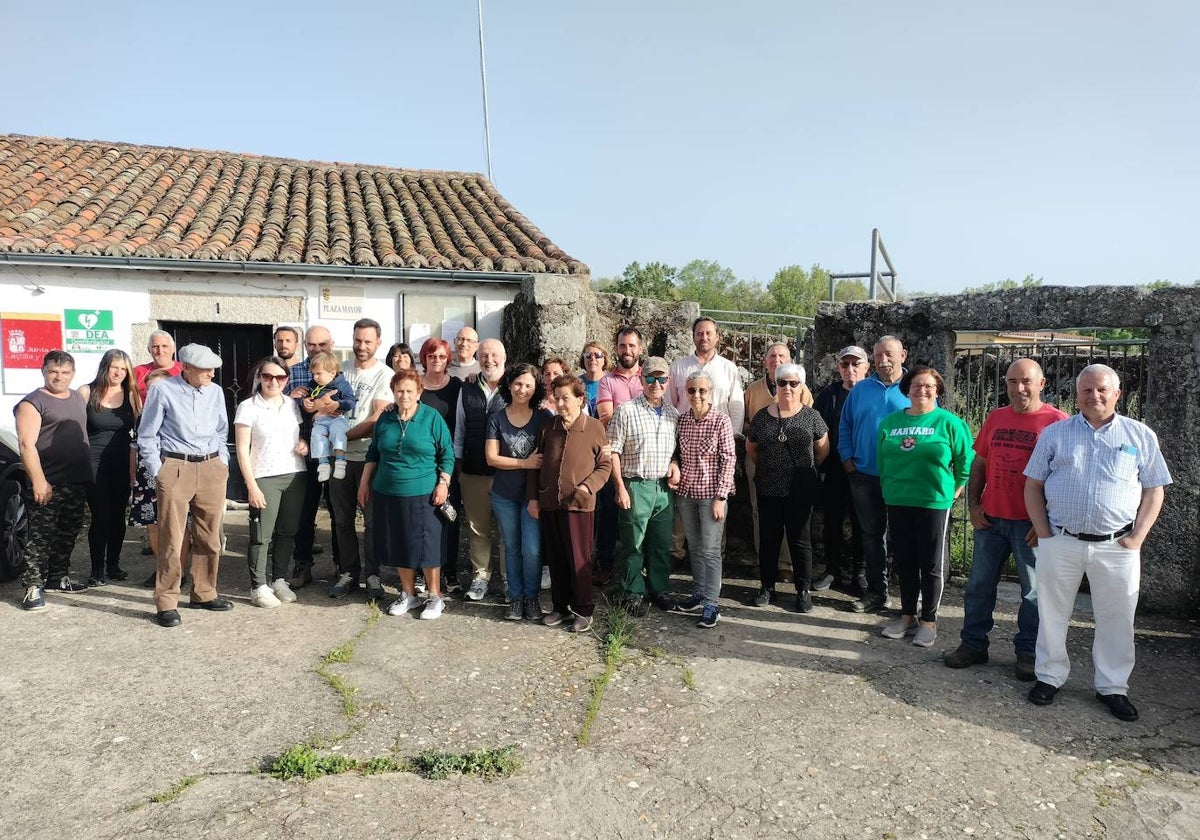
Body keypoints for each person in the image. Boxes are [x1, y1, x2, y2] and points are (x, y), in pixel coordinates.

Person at [1023, 364, 1171, 722]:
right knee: (1052, 614)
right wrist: (1043, 533)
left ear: (1117, 394)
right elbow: (1033, 484)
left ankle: (1113, 687)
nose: (1095, 396)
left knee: (1117, 618)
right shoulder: (1055, 434)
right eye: (1087, 390)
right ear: (1077, 395)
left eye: (1102, 389)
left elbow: (1154, 489)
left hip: (1117, 545)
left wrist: (1137, 537)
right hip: (1062, 541)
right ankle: (1049, 677)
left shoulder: (1140, 436)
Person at [945, 359, 1068, 679]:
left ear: (1042, 384)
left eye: (1026, 381)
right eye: (1012, 382)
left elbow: (1065, 477)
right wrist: (973, 506)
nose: (1018, 388)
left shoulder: (1058, 422)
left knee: (1034, 593)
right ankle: (973, 645)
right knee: (978, 587)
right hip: (991, 521)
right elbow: (980, 464)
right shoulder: (996, 417)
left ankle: (1027, 653)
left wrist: (1045, 522)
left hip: (1031, 526)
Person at [876, 366, 974, 648]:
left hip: (933, 501)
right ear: (906, 389)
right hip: (898, 499)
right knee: (904, 561)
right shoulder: (890, 422)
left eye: (929, 386)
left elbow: (965, 460)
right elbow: (882, 460)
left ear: (938, 390)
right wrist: (889, 488)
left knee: (931, 564)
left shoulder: (949, 423)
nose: (922, 390)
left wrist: (956, 488)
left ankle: (928, 620)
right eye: (917, 385)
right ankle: (907, 616)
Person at [138, 343, 233, 627]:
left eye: (213, 368)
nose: (212, 374)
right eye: (205, 369)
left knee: (209, 536)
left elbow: (220, 430)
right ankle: (166, 601)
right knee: (172, 537)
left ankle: (203, 592)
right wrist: (160, 471)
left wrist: (222, 464)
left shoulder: (215, 392)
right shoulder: (162, 390)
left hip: (211, 466)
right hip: (176, 467)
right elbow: (147, 434)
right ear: (187, 368)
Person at [361, 369, 455, 620]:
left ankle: (434, 597)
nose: (404, 395)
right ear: (393, 392)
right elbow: (373, 453)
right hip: (387, 492)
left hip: (424, 492)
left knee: (428, 545)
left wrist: (443, 483)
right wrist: (364, 483)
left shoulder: (431, 418)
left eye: (409, 391)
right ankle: (408, 594)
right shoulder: (386, 418)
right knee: (400, 543)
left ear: (419, 392)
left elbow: (447, 454)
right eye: (399, 390)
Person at [528, 374, 611, 632]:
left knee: (579, 560)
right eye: (557, 397)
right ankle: (560, 607)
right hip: (550, 503)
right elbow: (536, 464)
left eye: (566, 398)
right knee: (556, 559)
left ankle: (584, 610)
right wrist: (533, 498)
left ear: (580, 399)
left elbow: (605, 465)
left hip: (579, 505)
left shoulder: (595, 427)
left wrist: (587, 487)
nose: (560, 403)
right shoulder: (547, 427)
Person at [746, 363, 829, 612]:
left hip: (800, 487)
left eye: (794, 383)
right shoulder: (762, 416)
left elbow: (822, 449)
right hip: (769, 485)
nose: (788, 388)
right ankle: (767, 587)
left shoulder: (811, 416)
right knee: (769, 539)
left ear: (801, 386)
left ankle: (803, 590)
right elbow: (752, 448)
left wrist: (807, 469)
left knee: (800, 540)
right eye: (783, 383)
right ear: (777, 385)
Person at [15, 350, 93, 610]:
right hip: (49, 482)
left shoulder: (77, 397)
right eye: (54, 372)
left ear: (72, 373)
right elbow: (26, 445)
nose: (59, 377)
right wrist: (39, 481)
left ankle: (57, 577)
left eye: (65, 372)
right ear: (43, 371)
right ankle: (32, 587)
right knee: (40, 537)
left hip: (76, 480)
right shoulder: (32, 402)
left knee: (68, 532)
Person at [838, 335, 911, 613]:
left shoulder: (914, 388)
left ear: (902, 355)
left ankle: (908, 597)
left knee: (904, 536)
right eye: (878, 354)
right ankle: (877, 593)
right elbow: (845, 426)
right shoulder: (860, 390)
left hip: (903, 479)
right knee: (871, 536)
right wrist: (847, 459)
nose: (883, 360)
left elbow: (932, 424)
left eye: (889, 354)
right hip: (864, 476)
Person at [325, 319, 394, 601]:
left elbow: (376, 418)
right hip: (338, 459)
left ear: (378, 342)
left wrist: (342, 436)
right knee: (341, 520)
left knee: (372, 521)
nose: (361, 346)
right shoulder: (339, 372)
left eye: (367, 341)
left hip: (368, 460)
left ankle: (373, 574)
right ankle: (349, 573)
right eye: (358, 340)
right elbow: (326, 406)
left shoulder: (384, 374)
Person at [608, 356, 682, 615]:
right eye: (650, 377)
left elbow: (675, 451)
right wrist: (619, 487)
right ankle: (632, 591)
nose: (656, 383)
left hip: (662, 487)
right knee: (633, 543)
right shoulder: (626, 411)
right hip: (635, 485)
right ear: (641, 379)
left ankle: (659, 588)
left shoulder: (673, 414)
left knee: (661, 543)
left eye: (661, 378)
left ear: (668, 381)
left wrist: (674, 463)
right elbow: (613, 452)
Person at [235, 356, 308, 608]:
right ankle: (258, 585)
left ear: (286, 379)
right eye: (267, 376)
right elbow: (242, 450)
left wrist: (305, 444)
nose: (273, 381)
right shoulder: (248, 407)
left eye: (279, 377)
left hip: (294, 474)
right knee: (261, 535)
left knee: (287, 531)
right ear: (259, 377)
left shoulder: (292, 404)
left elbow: (302, 434)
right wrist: (251, 485)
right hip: (263, 476)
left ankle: (279, 579)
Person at [673, 370, 735, 628]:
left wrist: (721, 496)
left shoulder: (721, 421)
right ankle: (698, 594)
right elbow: (675, 452)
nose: (696, 395)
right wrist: (674, 465)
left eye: (702, 390)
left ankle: (712, 604)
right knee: (695, 547)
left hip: (711, 495)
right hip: (687, 493)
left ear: (711, 393)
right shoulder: (683, 420)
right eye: (691, 390)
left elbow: (729, 459)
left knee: (711, 551)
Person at [744, 343, 810, 581]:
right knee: (758, 511)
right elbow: (747, 425)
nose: (776, 359)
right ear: (765, 361)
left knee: (793, 517)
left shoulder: (801, 388)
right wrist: (761, 459)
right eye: (772, 356)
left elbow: (815, 433)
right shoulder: (752, 389)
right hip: (760, 460)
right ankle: (765, 562)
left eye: (782, 355)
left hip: (794, 465)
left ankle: (786, 565)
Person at [486, 364, 546, 621]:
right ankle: (516, 596)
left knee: (532, 548)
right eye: (518, 383)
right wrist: (524, 463)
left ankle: (532, 597)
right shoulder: (497, 418)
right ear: (509, 385)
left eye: (528, 385)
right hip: (505, 494)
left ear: (536, 388)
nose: (522, 389)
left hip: (533, 495)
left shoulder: (544, 418)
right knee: (511, 546)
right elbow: (491, 458)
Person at [78, 348, 140, 586]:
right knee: (100, 516)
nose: (119, 373)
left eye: (124, 369)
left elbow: (140, 431)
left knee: (117, 516)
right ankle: (96, 570)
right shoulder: (87, 391)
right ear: (105, 366)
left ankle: (113, 565)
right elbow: (75, 428)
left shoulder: (131, 394)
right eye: (115, 367)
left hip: (122, 462)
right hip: (93, 462)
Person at [454, 337, 508, 601]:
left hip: (506, 473)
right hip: (473, 470)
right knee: (478, 529)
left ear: (504, 358)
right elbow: (460, 429)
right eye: (484, 355)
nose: (489, 360)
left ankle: (510, 579)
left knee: (507, 530)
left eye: (494, 355)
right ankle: (480, 577)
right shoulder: (469, 388)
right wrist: (458, 465)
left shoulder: (514, 387)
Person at [813, 346, 870, 593]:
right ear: (838, 368)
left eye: (856, 364)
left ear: (867, 368)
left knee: (863, 523)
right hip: (835, 469)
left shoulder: (874, 393)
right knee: (832, 521)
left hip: (866, 470)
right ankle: (832, 570)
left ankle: (861, 572)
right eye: (845, 364)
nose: (850, 369)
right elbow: (816, 431)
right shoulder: (829, 395)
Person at [129, 369, 192, 587]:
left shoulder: (182, 412)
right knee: (153, 526)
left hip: (178, 472)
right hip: (147, 477)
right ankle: (163, 570)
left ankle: (179, 572)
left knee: (179, 526)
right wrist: (133, 479)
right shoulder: (142, 415)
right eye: (150, 388)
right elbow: (135, 449)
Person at [287, 324, 338, 588]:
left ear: (331, 344)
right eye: (311, 345)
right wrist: (294, 400)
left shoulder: (341, 372)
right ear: (304, 346)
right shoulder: (293, 372)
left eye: (322, 345)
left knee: (339, 512)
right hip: (305, 453)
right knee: (304, 513)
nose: (316, 349)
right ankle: (302, 565)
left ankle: (342, 568)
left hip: (334, 453)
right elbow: (281, 408)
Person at [594, 327, 644, 581]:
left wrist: (622, 411)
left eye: (632, 346)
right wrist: (638, 414)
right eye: (623, 346)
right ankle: (604, 562)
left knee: (639, 515)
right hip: (613, 454)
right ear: (617, 349)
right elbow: (605, 418)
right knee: (609, 512)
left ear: (640, 349)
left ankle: (635, 568)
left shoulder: (650, 378)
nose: (627, 351)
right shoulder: (607, 381)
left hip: (643, 456)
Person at [419, 337, 465, 593]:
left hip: (448, 462)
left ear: (448, 360)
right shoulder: (416, 386)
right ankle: (421, 570)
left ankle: (449, 571)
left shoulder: (457, 386)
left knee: (449, 516)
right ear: (424, 358)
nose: (436, 360)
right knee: (422, 518)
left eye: (442, 356)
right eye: (431, 355)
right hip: (421, 463)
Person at [302, 351, 356, 482]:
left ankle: (340, 462)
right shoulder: (313, 384)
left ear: (332, 372)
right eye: (313, 373)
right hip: (320, 421)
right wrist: (307, 401)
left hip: (336, 418)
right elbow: (308, 399)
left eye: (319, 373)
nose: (315, 377)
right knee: (317, 435)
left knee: (338, 433)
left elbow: (351, 402)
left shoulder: (342, 385)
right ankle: (323, 464)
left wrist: (338, 404)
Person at [134, 330, 183, 399]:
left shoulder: (185, 370)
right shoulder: (138, 372)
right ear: (149, 350)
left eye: (164, 346)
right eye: (155, 347)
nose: (160, 351)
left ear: (173, 349)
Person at [580, 341, 609, 417]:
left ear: (604, 360)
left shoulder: (611, 382)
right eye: (588, 355)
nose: (592, 359)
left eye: (597, 355)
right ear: (583, 359)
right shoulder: (576, 383)